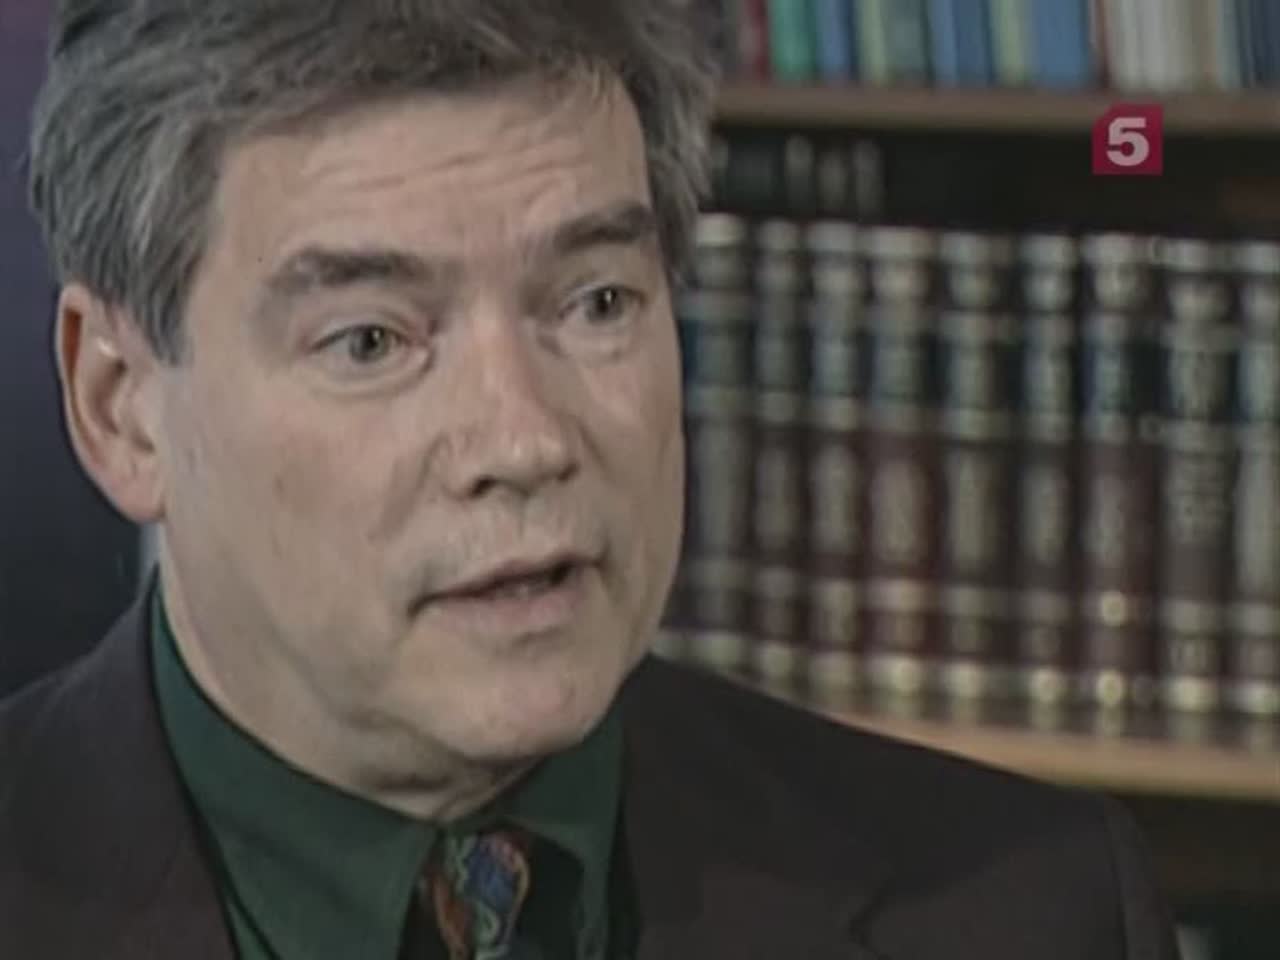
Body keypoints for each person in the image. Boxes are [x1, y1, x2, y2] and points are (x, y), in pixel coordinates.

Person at [1, 2, 1180, 958]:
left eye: (596, 302)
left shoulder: (1030, 910)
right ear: (120, 406)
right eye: (370, 340)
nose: (524, 442)